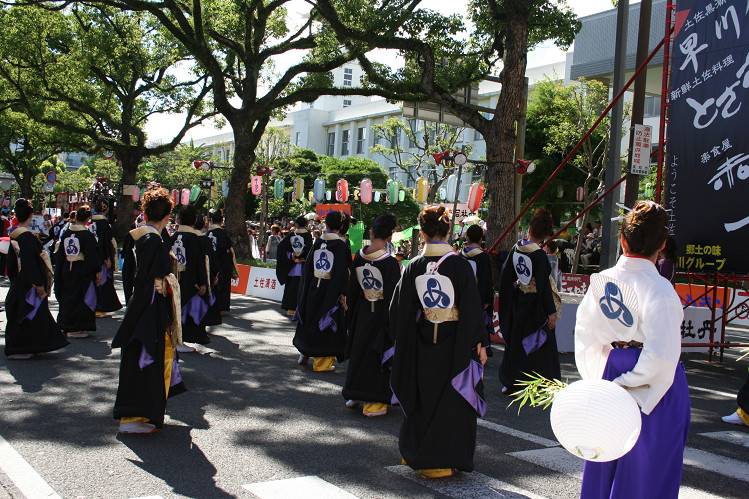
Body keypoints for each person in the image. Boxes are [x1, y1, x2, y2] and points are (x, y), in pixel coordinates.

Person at [575, 200, 690, 499]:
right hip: (655, 385)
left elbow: (585, 335)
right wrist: (629, 384)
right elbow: (663, 355)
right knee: (647, 472)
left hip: (610, 367)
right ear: (662, 244)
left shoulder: (602, 281)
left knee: (605, 456)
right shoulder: (661, 289)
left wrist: (601, 380)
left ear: (623, 239)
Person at [389, 205, 487, 478]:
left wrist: (405, 342)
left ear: (422, 233)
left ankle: (416, 451)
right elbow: (472, 308)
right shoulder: (460, 265)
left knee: (422, 397)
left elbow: (398, 311)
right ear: (448, 231)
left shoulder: (414, 266)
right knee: (451, 401)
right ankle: (442, 457)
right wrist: (478, 343)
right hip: (454, 343)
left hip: (421, 342)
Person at [112, 187, 186, 434]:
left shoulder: (136, 237)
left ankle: (136, 415)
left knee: (140, 359)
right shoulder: (154, 240)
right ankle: (138, 417)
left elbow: (131, 276)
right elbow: (150, 279)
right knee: (151, 358)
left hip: (141, 302)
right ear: (168, 216)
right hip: (150, 305)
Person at [342, 214, 400, 417]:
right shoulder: (390, 263)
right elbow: (394, 298)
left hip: (362, 310)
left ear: (372, 232)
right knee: (375, 357)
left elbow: (352, 289)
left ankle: (355, 394)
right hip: (381, 316)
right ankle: (373, 401)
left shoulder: (359, 255)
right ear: (390, 237)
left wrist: (350, 315)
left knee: (359, 351)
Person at [498, 208, 561, 394]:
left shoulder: (517, 249)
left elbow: (505, 279)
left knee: (517, 342)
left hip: (519, 301)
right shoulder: (539, 255)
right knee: (540, 342)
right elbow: (543, 287)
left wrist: (510, 299)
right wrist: (551, 312)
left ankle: (511, 381)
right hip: (536, 305)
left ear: (530, 228)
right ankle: (541, 383)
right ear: (545, 234)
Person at [4, 198, 69, 359]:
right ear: (31, 215)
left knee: (24, 313)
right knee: (29, 314)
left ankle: (24, 345)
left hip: (20, 280)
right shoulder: (27, 237)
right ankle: (21, 347)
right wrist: (38, 283)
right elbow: (31, 262)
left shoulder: (14, 234)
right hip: (29, 282)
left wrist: (15, 279)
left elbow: (12, 263)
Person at [293, 211, 350, 372]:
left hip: (313, 286)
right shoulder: (340, 245)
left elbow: (308, 267)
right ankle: (321, 363)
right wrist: (343, 292)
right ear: (341, 226)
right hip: (330, 289)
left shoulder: (318, 241)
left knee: (310, 317)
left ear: (326, 224)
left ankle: (304, 353)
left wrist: (305, 288)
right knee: (326, 322)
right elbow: (342, 272)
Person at [54, 206, 102, 338]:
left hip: (66, 267)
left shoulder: (67, 233)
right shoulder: (87, 235)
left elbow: (60, 254)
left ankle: (66, 324)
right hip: (81, 269)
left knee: (67, 296)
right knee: (80, 298)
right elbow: (92, 255)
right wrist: (97, 270)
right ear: (88, 218)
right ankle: (75, 327)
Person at [172, 205, 210, 351]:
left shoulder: (173, 236)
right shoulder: (194, 239)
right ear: (195, 220)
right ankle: (179, 341)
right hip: (189, 280)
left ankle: (175, 340)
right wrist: (202, 283)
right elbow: (198, 262)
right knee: (184, 311)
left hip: (173, 278)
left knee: (174, 309)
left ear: (178, 219)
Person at [461, 224, 494, 356]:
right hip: (478, 296)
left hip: (464, 295)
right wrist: (486, 300)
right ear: (481, 239)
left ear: (467, 238)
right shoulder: (482, 257)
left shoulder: (461, 256)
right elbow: (486, 280)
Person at [90, 198, 122, 316]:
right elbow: (105, 242)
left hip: (91, 256)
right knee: (102, 282)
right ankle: (100, 306)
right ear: (107, 209)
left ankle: (94, 305)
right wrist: (107, 257)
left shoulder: (90, 222)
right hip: (102, 256)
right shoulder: (104, 224)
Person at [275, 216, 312, 315]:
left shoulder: (292, 235)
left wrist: (291, 259)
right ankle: (301, 308)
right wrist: (305, 259)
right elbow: (310, 250)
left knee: (291, 286)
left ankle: (290, 308)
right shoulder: (308, 235)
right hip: (304, 265)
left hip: (293, 265)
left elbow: (281, 248)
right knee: (303, 286)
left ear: (296, 224)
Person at [207, 210, 238, 315]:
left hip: (210, 261)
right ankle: (221, 307)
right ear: (222, 221)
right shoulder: (222, 233)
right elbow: (227, 245)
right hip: (222, 262)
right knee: (222, 284)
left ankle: (210, 304)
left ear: (211, 220)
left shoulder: (207, 233)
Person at [195, 214, 221, 327]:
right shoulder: (204, 240)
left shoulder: (176, 236)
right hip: (203, 275)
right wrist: (215, 274)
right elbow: (211, 260)